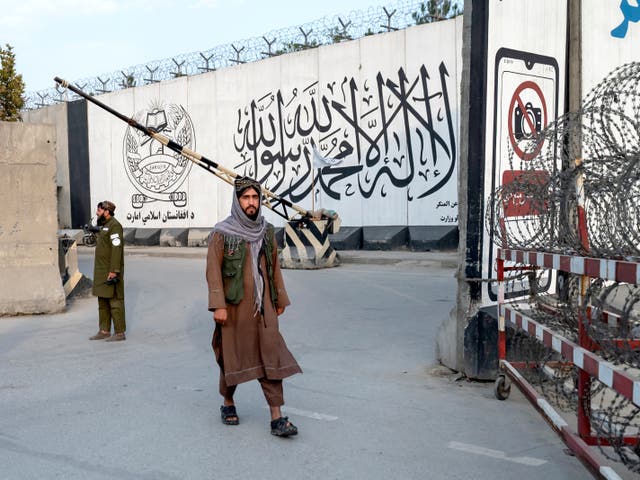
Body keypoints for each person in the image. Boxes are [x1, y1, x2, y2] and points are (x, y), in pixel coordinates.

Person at [206, 176, 302, 437]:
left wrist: (279, 299)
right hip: (234, 307)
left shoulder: (266, 231)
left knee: (271, 355)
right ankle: (228, 402)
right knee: (232, 358)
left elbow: (274, 266)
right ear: (237, 201)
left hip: (264, 308)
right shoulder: (222, 233)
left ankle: (277, 417)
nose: (251, 203)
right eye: (246, 198)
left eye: (255, 198)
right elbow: (213, 271)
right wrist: (218, 305)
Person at [89, 200, 126, 342]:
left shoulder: (115, 226)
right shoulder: (104, 226)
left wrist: (114, 270)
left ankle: (119, 333)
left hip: (110, 270)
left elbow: (116, 249)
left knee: (115, 301)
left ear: (107, 211)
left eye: (99, 211)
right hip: (100, 270)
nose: (97, 213)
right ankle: (104, 331)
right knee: (102, 301)